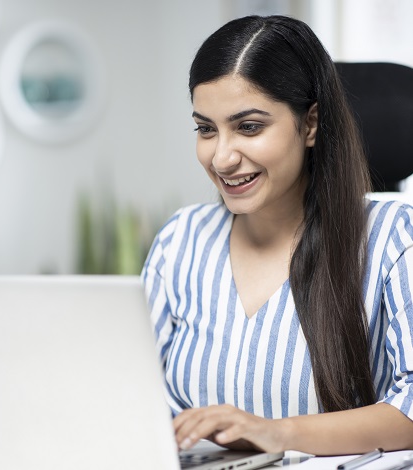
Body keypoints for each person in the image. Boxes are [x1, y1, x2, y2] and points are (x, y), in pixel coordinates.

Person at [141, 14, 413, 455]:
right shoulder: (180, 240)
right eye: (206, 129)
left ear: (309, 125)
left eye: (248, 127)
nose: (222, 157)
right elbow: (131, 391)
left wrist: (276, 434)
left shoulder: (392, 238)